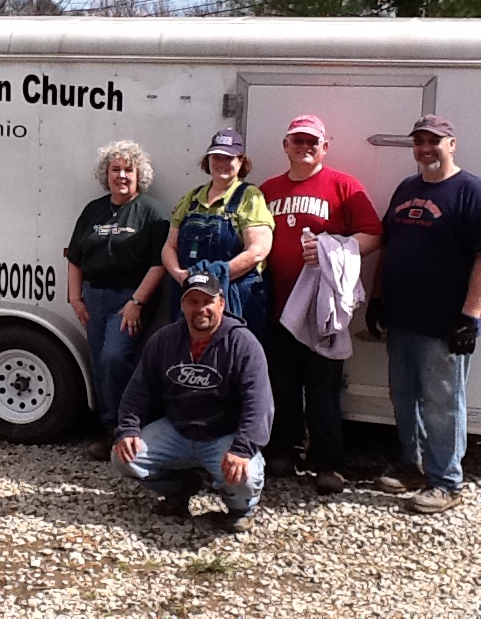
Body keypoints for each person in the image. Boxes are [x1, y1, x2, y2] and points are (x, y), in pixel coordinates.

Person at [259, 114, 383, 494]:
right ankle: (284, 448)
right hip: (278, 307)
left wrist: (334, 247)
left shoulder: (343, 185)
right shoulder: (268, 189)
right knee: (281, 381)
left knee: (324, 387)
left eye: (313, 141)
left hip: (324, 307)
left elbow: (373, 235)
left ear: (325, 147)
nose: (305, 147)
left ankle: (328, 462)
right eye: (298, 140)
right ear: (285, 146)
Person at [367, 115, 481, 514]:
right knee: (405, 397)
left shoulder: (470, 191)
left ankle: (446, 481)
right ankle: (411, 467)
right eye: (419, 142)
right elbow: (388, 245)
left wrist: (471, 314)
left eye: (434, 140)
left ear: (452, 144)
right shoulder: (406, 188)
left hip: (444, 322)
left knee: (442, 401)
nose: (425, 148)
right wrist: (377, 297)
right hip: (402, 317)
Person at [112, 271, 273, 533]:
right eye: (193, 302)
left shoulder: (244, 344)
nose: (201, 309)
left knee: (245, 478)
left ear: (221, 303)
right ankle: (181, 487)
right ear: (182, 305)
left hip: (223, 435)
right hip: (177, 429)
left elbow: (260, 405)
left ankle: (241, 508)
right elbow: (137, 391)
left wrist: (242, 449)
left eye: (207, 302)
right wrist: (128, 429)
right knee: (124, 458)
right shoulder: (163, 340)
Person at [67, 140, 169, 461]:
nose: (122, 176)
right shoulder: (93, 210)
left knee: (115, 358)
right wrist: (75, 298)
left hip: (129, 300)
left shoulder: (151, 211)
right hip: (94, 298)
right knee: (99, 365)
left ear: (140, 175)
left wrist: (137, 302)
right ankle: (109, 431)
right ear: (106, 175)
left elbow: (159, 262)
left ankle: (128, 429)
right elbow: (76, 257)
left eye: (128, 170)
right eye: (115, 170)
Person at [161, 128, 274, 338]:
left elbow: (258, 250)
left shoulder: (250, 196)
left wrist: (214, 279)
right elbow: (169, 246)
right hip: (189, 294)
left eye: (228, 158)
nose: (221, 163)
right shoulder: (191, 198)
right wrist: (179, 275)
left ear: (241, 161)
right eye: (216, 157)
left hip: (236, 296)